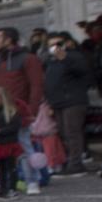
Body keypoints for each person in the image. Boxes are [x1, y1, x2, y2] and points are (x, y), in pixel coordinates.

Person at [43, 34, 94, 174]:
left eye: (58, 43)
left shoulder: (74, 56)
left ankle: (76, 163)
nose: (55, 47)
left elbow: (83, 71)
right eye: (51, 44)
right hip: (57, 101)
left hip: (73, 100)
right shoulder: (50, 61)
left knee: (72, 132)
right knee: (63, 133)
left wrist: (65, 58)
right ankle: (68, 161)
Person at [0, 27, 44, 126]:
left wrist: (32, 111)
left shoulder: (28, 59)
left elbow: (37, 86)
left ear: (8, 40)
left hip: (19, 111)